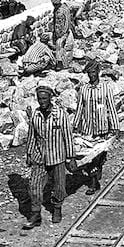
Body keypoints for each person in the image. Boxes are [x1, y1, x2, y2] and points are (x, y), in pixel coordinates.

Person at [23, 84, 77, 228]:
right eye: (40, 99)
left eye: (45, 98)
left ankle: (57, 208)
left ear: (50, 98)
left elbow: (68, 136)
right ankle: (35, 215)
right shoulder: (35, 114)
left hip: (57, 157)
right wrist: (29, 153)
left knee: (59, 186)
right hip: (40, 156)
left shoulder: (60, 114)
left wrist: (71, 157)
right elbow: (31, 136)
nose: (42, 101)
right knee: (34, 186)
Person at [74, 59, 119, 195]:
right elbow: (80, 108)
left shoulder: (106, 88)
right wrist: (75, 125)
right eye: (89, 73)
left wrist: (115, 126)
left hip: (102, 129)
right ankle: (94, 182)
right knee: (90, 156)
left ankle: (95, 176)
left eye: (93, 72)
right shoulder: (84, 89)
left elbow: (111, 107)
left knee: (99, 156)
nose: (91, 75)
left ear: (98, 72)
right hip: (88, 129)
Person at [51, 0, 75, 69]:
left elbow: (66, 22)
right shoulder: (59, 9)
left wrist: (63, 32)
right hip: (59, 31)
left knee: (59, 46)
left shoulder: (63, 10)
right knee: (61, 47)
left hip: (63, 31)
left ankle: (60, 63)